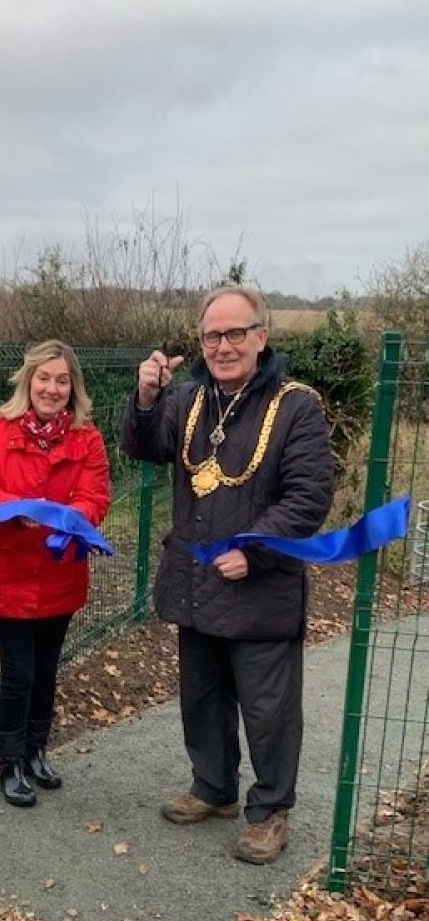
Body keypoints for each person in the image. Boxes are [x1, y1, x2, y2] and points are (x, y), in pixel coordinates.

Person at [121, 286, 334, 864]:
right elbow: (146, 446)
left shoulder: (297, 406)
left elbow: (309, 496)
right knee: (204, 698)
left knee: (268, 709)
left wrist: (255, 550)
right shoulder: (189, 398)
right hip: (196, 583)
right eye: (212, 335)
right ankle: (213, 788)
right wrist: (145, 397)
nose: (223, 346)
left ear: (261, 337)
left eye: (235, 333)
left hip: (260, 586)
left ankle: (269, 810)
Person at [0, 340, 111, 807]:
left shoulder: (87, 439)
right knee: (18, 674)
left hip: (58, 571)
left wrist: (69, 517)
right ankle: (9, 762)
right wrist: (18, 510)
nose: (52, 388)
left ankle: (36, 751)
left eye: (62, 380)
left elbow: (96, 496)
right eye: (44, 378)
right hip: (7, 571)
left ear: (73, 388)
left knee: (47, 670)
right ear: (28, 381)